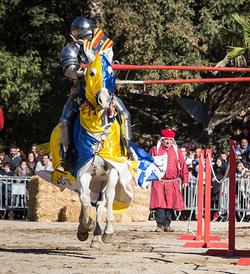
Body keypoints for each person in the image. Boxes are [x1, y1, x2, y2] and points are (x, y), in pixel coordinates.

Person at [59, 16, 132, 170]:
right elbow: (69, 70)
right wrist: (87, 71)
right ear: (77, 35)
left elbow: (107, 68)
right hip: (81, 91)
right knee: (65, 121)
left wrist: (111, 68)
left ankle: (127, 149)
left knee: (124, 114)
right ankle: (67, 155)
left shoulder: (100, 48)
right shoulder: (70, 49)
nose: (89, 38)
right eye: (85, 35)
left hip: (101, 91)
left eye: (90, 34)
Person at [149, 129, 188, 232]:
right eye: (166, 139)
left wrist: (185, 180)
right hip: (159, 181)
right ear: (162, 140)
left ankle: (167, 224)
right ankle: (160, 225)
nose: (168, 142)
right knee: (159, 203)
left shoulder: (177, 151)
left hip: (172, 182)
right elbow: (148, 164)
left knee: (170, 204)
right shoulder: (154, 149)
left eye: (170, 140)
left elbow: (183, 165)